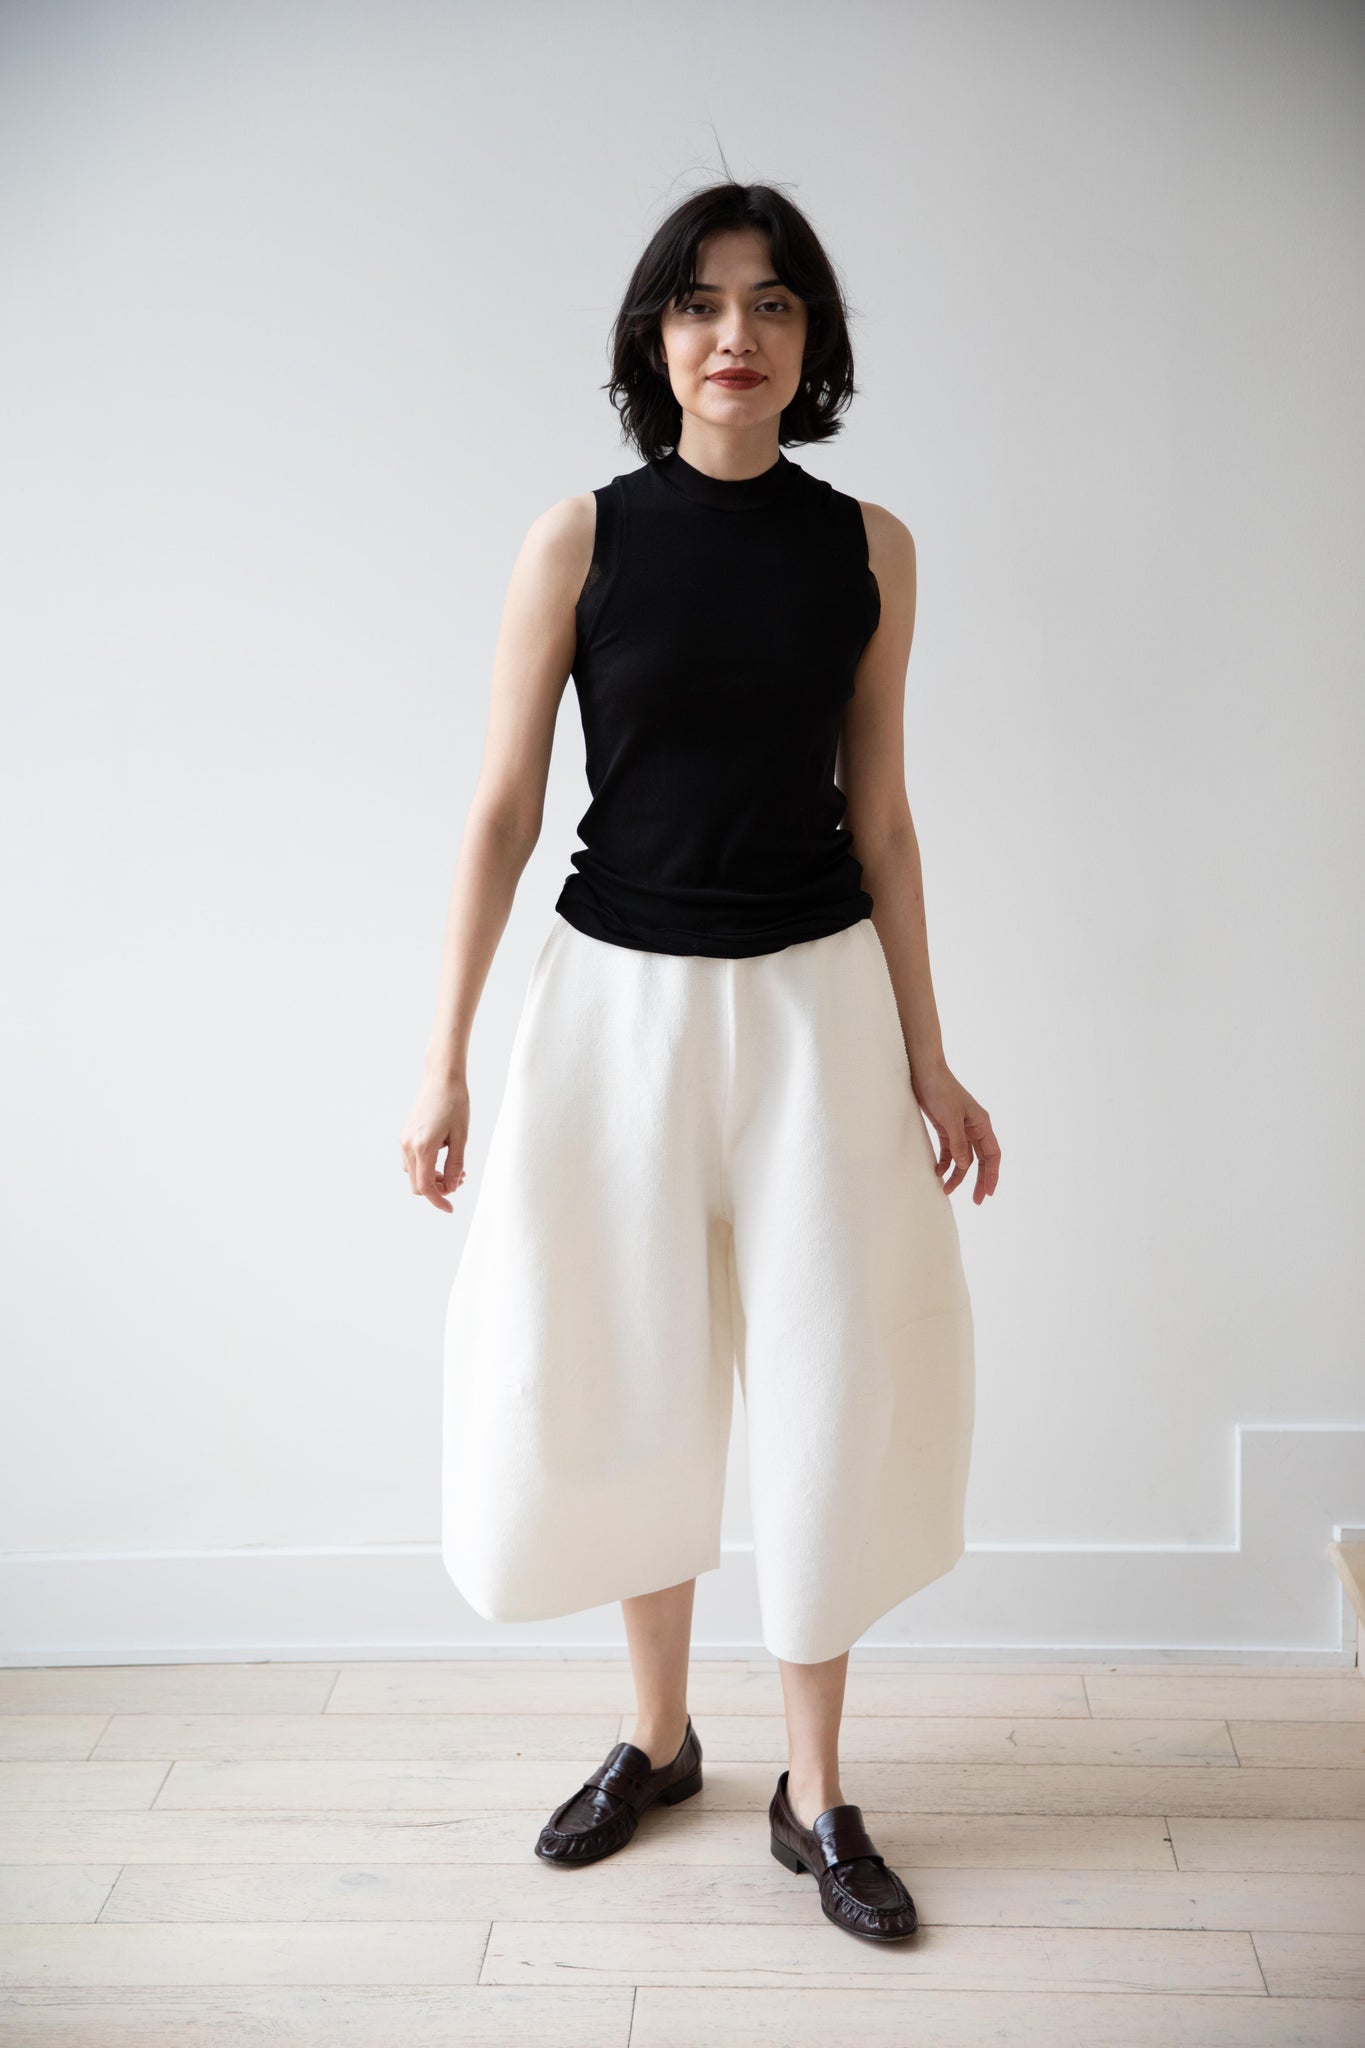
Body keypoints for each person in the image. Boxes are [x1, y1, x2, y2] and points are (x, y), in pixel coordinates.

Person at [401, 179, 1000, 1944]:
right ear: (652, 337)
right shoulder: (577, 540)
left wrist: (932, 1055)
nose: (734, 336)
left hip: (816, 1011)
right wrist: (441, 1059)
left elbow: (883, 821)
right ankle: (657, 1740)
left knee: (827, 1385)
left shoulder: (870, 548)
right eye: (698, 303)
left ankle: (817, 1794)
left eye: (773, 305)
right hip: (613, 1015)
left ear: (812, 342)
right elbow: (502, 809)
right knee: (627, 1369)